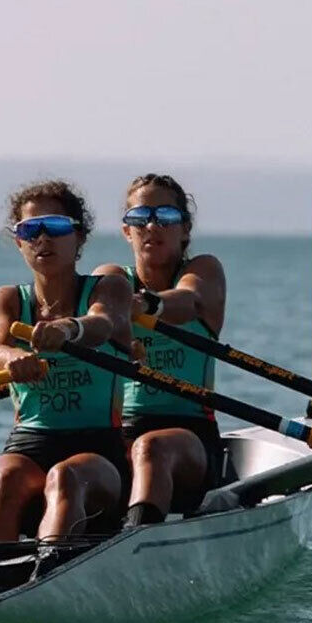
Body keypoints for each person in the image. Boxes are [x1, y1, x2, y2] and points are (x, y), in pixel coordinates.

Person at [0, 180, 133, 541]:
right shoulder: (7, 299)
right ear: (18, 242)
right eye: (30, 230)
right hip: (30, 443)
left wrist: (68, 329)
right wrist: (14, 358)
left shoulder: (109, 288)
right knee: (3, 477)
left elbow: (102, 324)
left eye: (56, 227)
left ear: (79, 239)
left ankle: (48, 572)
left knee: (65, 477)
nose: (42, 239)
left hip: (99, 453)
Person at [94, 173, 226, 527]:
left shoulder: (204, 270)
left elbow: (190, 300)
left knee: (151, 449)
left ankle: (135, 545)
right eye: (140, 218)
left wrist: (144, 306)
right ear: (127, 231)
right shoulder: (109, 278)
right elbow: (97, 315)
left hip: (191, 439)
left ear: (184, 230)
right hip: (118, 434)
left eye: (165, 217)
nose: (152, 225)